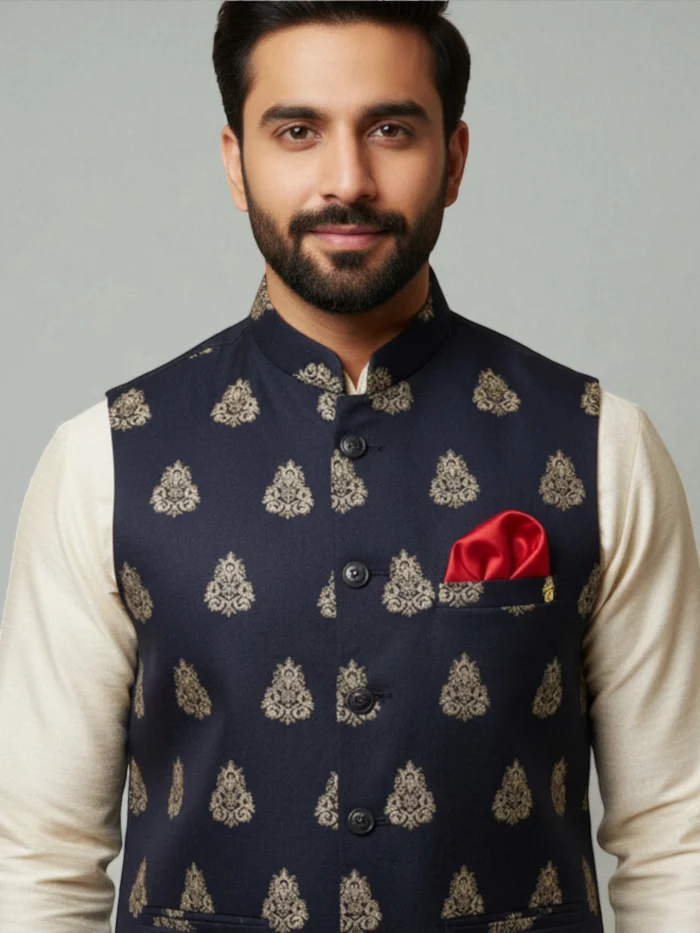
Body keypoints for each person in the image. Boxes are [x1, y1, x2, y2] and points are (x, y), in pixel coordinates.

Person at [1, 3, 699, 932]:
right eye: (297, 131)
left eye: (391, 129)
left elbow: (674, 837)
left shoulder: (602, 446)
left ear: (452, 159)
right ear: (233, 160)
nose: (347, 180)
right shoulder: (102, 461)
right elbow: (40, 859)